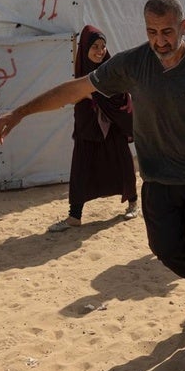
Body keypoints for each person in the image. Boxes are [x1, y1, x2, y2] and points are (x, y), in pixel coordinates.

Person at [0, 0, 185, 354]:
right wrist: (21, 112)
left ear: (183, 27)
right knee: (164, 248)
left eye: (167, 32)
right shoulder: (133, 64)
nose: (160, 40)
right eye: (152, 32)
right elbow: (77, 89)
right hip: (158, 177)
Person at [48, 25, 138, 232]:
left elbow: (121, 94)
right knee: (81, 169)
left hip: (113, 127)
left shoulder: (112, 71)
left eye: (103, 46)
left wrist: (95, 93)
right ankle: (74, 216)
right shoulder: (80, 73)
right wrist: (88, 92)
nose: (100, 51)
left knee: (123, 164)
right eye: (95, 46)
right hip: (88, 127)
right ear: (85, 49)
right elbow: (73, 95)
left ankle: (133, 202)